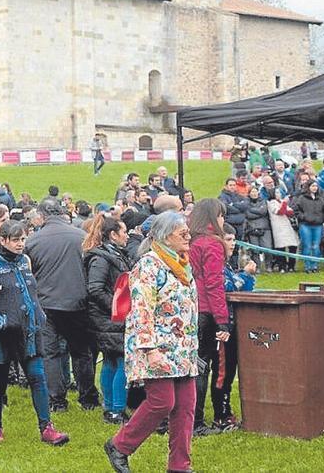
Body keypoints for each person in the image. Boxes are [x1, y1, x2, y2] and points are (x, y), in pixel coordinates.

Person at [105, 212, 199, 473]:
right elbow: (141, 310)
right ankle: (119, 446)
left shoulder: (182, 263)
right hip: (156, 347)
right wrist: (149, 349)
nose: (188, 237)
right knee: (162, 402)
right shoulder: (149, 265)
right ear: (165, 236)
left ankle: (180, 465)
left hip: (183, 348)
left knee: (186, 406)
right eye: (183, 233)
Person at [0, 220, 68, 445]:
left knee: (38, 377)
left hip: (29, 331)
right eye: (16, 240)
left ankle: (46, 428)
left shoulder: (25, 260)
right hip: (2, 333)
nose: (20, 244)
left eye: (23, 239)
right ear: (3, 240)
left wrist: (39, 315)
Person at [24, 199, 100, 412]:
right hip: (77, 302)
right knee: (82, 351)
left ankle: (57, 400)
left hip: (46, 303)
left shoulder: (33, 240)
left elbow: (29, 274)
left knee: (51, 353)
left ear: (42, 216)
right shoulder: (81, 236)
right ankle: (88, 397)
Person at [187, 199, 233, 437]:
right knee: (202, 366)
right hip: (205, 310)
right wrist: (222, 319)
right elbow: (214, 284)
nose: (223, 220)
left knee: (192, 365)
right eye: (221, 216)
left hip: (190, 308)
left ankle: (186, 419)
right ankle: (196, 422)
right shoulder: (211, 244)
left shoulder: (190, 241)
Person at [83, 214, 133, 424]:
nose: (127, 236)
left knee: (112, 359)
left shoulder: (112, 255)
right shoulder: (102, 258)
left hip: (109, 318)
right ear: (113, 235)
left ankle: (111, 408)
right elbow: (95, 288)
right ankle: (116, 409)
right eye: (124, 232)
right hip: (108, 319)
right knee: (120, 360)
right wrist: (116, 307)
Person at [213, 231, 255, 431]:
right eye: (228, 239)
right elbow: (228, 288)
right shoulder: (217, 266)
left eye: (234, 239)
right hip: (222, 325)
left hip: (233, 324)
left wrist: (246, 277)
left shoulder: (227, 266)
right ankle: (220, 414)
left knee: (229, 370)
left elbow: (247, 289)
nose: (233, 243)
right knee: (222, 371)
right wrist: (245, 274)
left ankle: (226, 410)